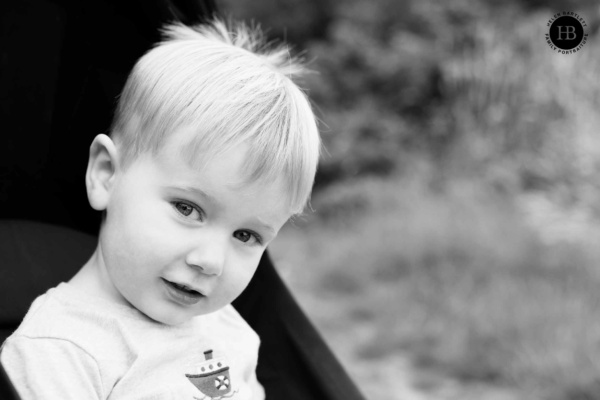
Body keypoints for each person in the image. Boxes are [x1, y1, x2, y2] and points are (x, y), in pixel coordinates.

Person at [0, 18, 320, 400]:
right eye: (187, 208)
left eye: (246, 235)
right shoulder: (61, 353)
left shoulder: (225, 326)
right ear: (106, 175)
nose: (211, 261)